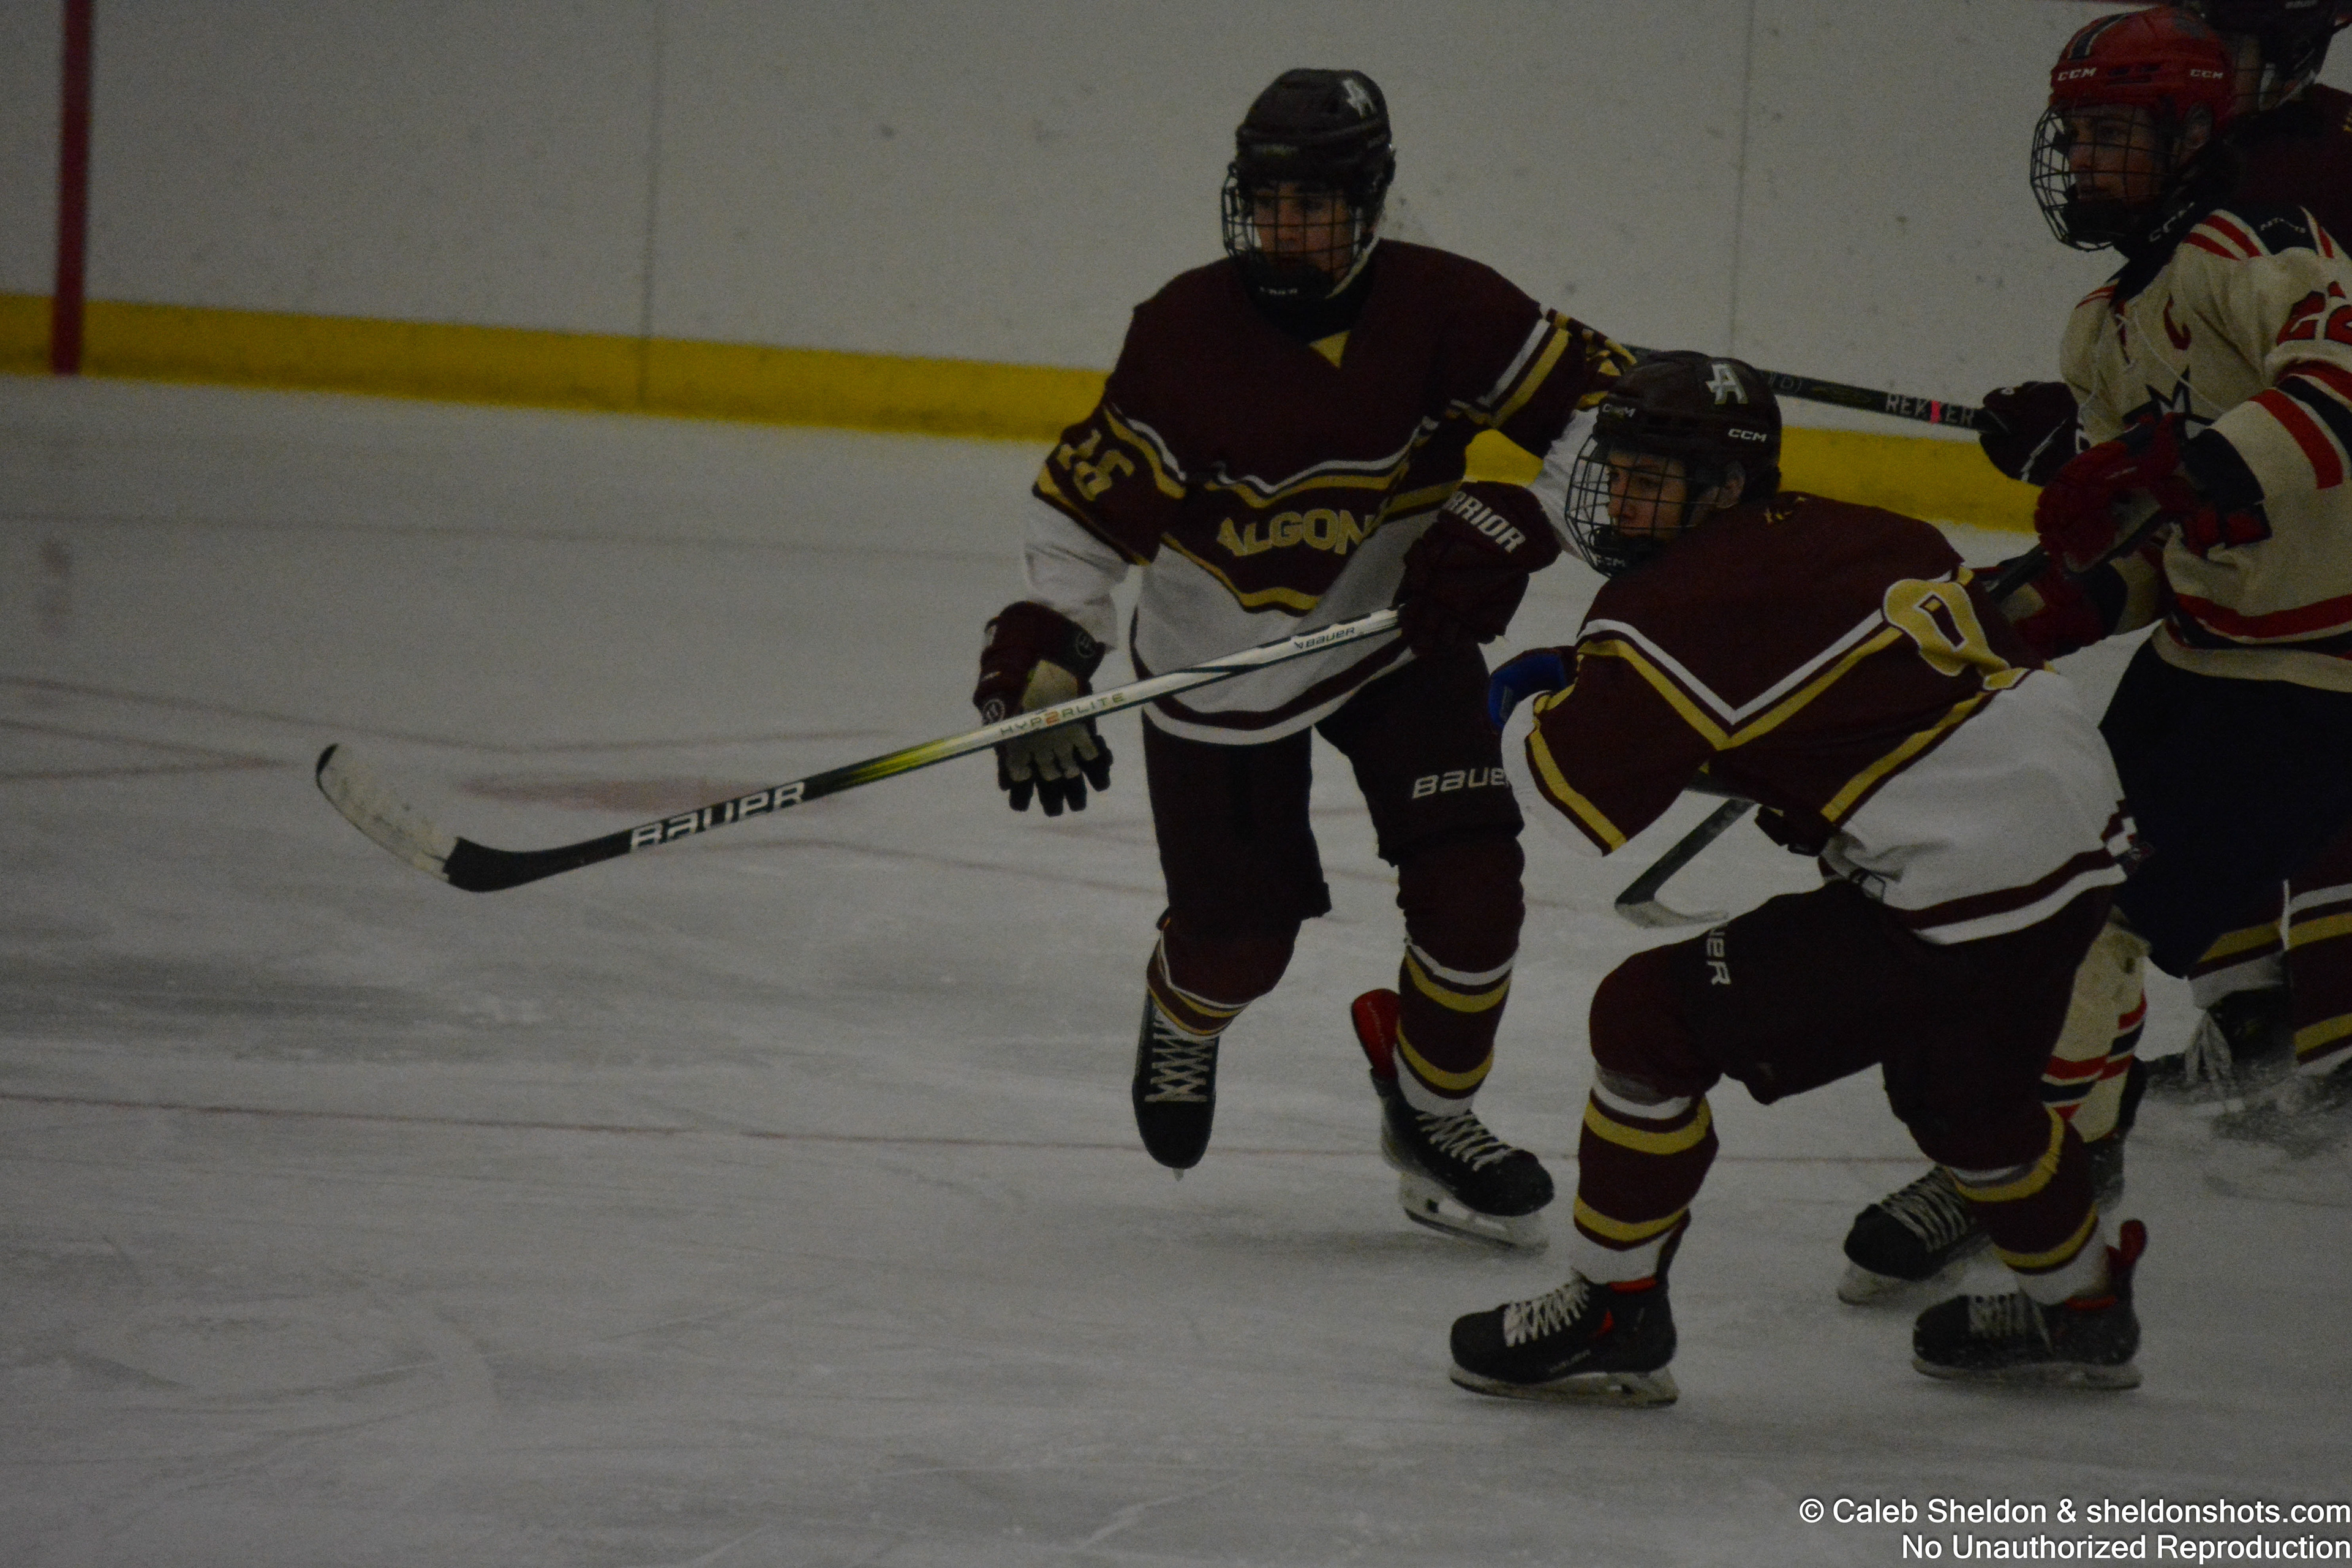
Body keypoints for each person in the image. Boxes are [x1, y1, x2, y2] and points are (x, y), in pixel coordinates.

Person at [971, 68, 1634, 1246]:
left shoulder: (1448, 306)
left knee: (1475, 894)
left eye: (1315, 206)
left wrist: (1522, 517)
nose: (1285, 230)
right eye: (1267, 203)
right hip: (1222, 666)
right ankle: (1184, 1012)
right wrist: (1050, 652)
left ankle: (1433, 1115)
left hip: (1397, 637)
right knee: (1241, 948)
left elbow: (1609, 417)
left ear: (1370, 202)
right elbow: (1083, 515)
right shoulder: (1185, 334)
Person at [1440, 350, 2146, 1404]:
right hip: (2079, 847)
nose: (1620, 501)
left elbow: (1568, 793)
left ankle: (1613, 1309)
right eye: (1615, 474)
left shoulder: (1672, 603)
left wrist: (1511, 696)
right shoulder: (1866, 528)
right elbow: (1855, 697)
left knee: (1645, 1020)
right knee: (1972, 1103)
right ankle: (2083, 1308)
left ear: (1725, 485)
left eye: (1649, 480)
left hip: (1960, 883)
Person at [1839, 2, 2352, 1300]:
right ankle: (2071, 1154)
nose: (2081, 160)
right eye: (2073, 136)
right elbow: (2145, 553)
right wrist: (2018, 610)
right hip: (2207, 659)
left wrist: (2193, 465)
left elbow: (2336, 388)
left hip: (2319, 677)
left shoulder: (2265, 248)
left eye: (2114, 132)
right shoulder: (2103, 327)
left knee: (2093, 924)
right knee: (2060, 899)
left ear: (2192, 134)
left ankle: (2043, 1184)